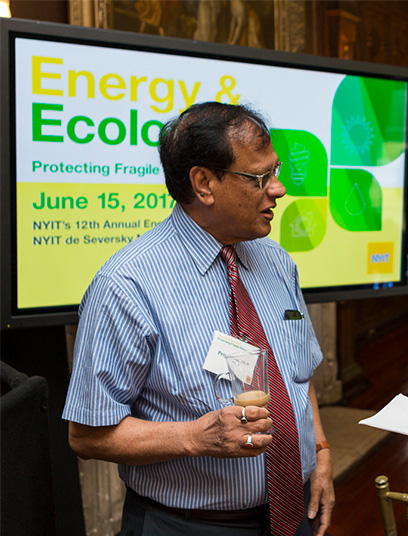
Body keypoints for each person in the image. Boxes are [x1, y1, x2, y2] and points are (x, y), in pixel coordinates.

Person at [62, 102, 334, 536]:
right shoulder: (127, 284)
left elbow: (296, 375)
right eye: (260, 178)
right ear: (204, 183)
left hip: (292, 511)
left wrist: (319, 453)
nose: (278, 189)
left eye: (276, 171)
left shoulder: (277, 261)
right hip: (190, 525)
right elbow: (87, 435)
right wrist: (196, 437)